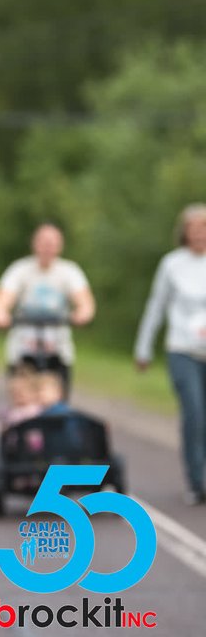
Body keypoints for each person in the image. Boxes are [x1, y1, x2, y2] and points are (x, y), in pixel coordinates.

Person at [134, 203, 206, 506]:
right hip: (182, 349)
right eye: (195, 228)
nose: (200, 234)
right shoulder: (172, 264)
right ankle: (196, 481)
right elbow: (157, 306)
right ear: (185, 232)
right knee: (194, 413)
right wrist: (143, 346)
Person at [0, 223, 96, 399]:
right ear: (34, 244)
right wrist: (0, 314)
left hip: (57, 350)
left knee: (58, 403)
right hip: (24, 349)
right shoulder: (20, 270)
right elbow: (2, 300)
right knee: (22, 398)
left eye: (52, 243)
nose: (47, 248)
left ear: (60, 246)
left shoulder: (69, 271)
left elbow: (85, 302)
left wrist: (82, 314)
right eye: (43, 242)